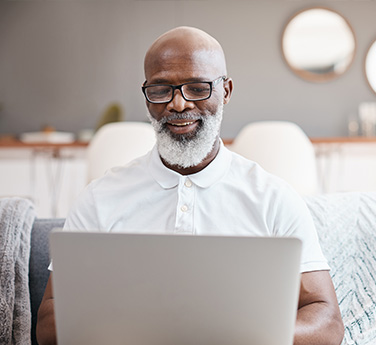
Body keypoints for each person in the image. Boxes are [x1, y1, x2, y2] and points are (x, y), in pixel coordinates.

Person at [36, 26, 344, 345]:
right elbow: (48, 324)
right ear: (146, 96)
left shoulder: (273, 199)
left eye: (197, 88)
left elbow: (327, 321)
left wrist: (239, 338)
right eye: (160, 90)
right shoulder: (100, 198)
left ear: (225, 91)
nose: (178, 104)